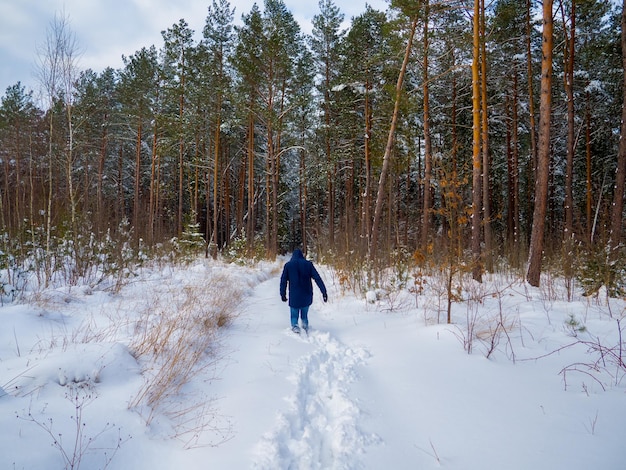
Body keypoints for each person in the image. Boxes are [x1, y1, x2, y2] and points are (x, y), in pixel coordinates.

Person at [279, 249, 327, 333]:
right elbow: (317, 278)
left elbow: (283, 281)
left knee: (294, 314)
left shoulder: (288, 265)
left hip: (294, 295)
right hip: (307, 294)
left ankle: (295, 326)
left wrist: (283, 294)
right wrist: (324, 292)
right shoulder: (308, 265)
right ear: (302, 256)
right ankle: (305, 325)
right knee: (304, 314)